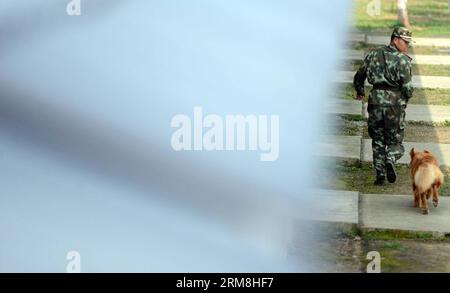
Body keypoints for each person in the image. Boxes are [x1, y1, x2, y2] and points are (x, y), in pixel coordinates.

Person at [353, 27, 414, 186]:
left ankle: (380, 175)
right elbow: (408, 88)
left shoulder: (373, 54)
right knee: (395, 141)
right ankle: (390, 158)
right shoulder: (403, 60)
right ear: (395, 39)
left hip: (375, 102)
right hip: (394, 104)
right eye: (405, 42)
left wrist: (360, 91)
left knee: (377, 139)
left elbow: (359, 76)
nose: (407, 46)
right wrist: (405, 100)